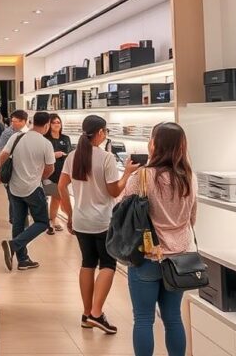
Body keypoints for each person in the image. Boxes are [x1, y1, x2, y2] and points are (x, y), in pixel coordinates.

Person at [122, 122, 198, 356]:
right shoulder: (189, 177)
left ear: (154, 144)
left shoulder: (143, 176)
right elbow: (192, 218)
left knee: (143, 319)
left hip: (147, 256)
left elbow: (122, 210)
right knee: (173, 317)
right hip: (180, 259)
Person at [58, 115, 137, 334]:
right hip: (103, 220)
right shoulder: (106, 158)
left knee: (87, 263)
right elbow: (114, 191)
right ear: (101, 133)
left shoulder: (73, 156)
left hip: (81, 219)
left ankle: (86, 314)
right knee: (108, 264)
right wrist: (128, 173)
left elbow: (62, 186)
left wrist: (70, 214)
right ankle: (96, 313)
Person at [0, 111, 55, 271]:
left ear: (31, 122)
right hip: (33, 188)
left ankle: (23, 259)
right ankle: (13, 245)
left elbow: (3, 155)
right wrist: (38, 177)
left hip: (14, 187)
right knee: (42, 222)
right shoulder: (45, 144)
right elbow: (50, 168)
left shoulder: (17, 137)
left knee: (19, 223)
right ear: (47, 125)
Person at [43, 114, 71, 235]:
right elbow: (42, 156)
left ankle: (52, 220)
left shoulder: (65, 138)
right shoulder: (45, 139)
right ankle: (53, 220)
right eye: (54, 122)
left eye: (58, 122)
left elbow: (69, 153)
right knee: (57, 196)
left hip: (63, 173)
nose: (56, 124)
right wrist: (54, 155)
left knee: (57, 197)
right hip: (49, 173)